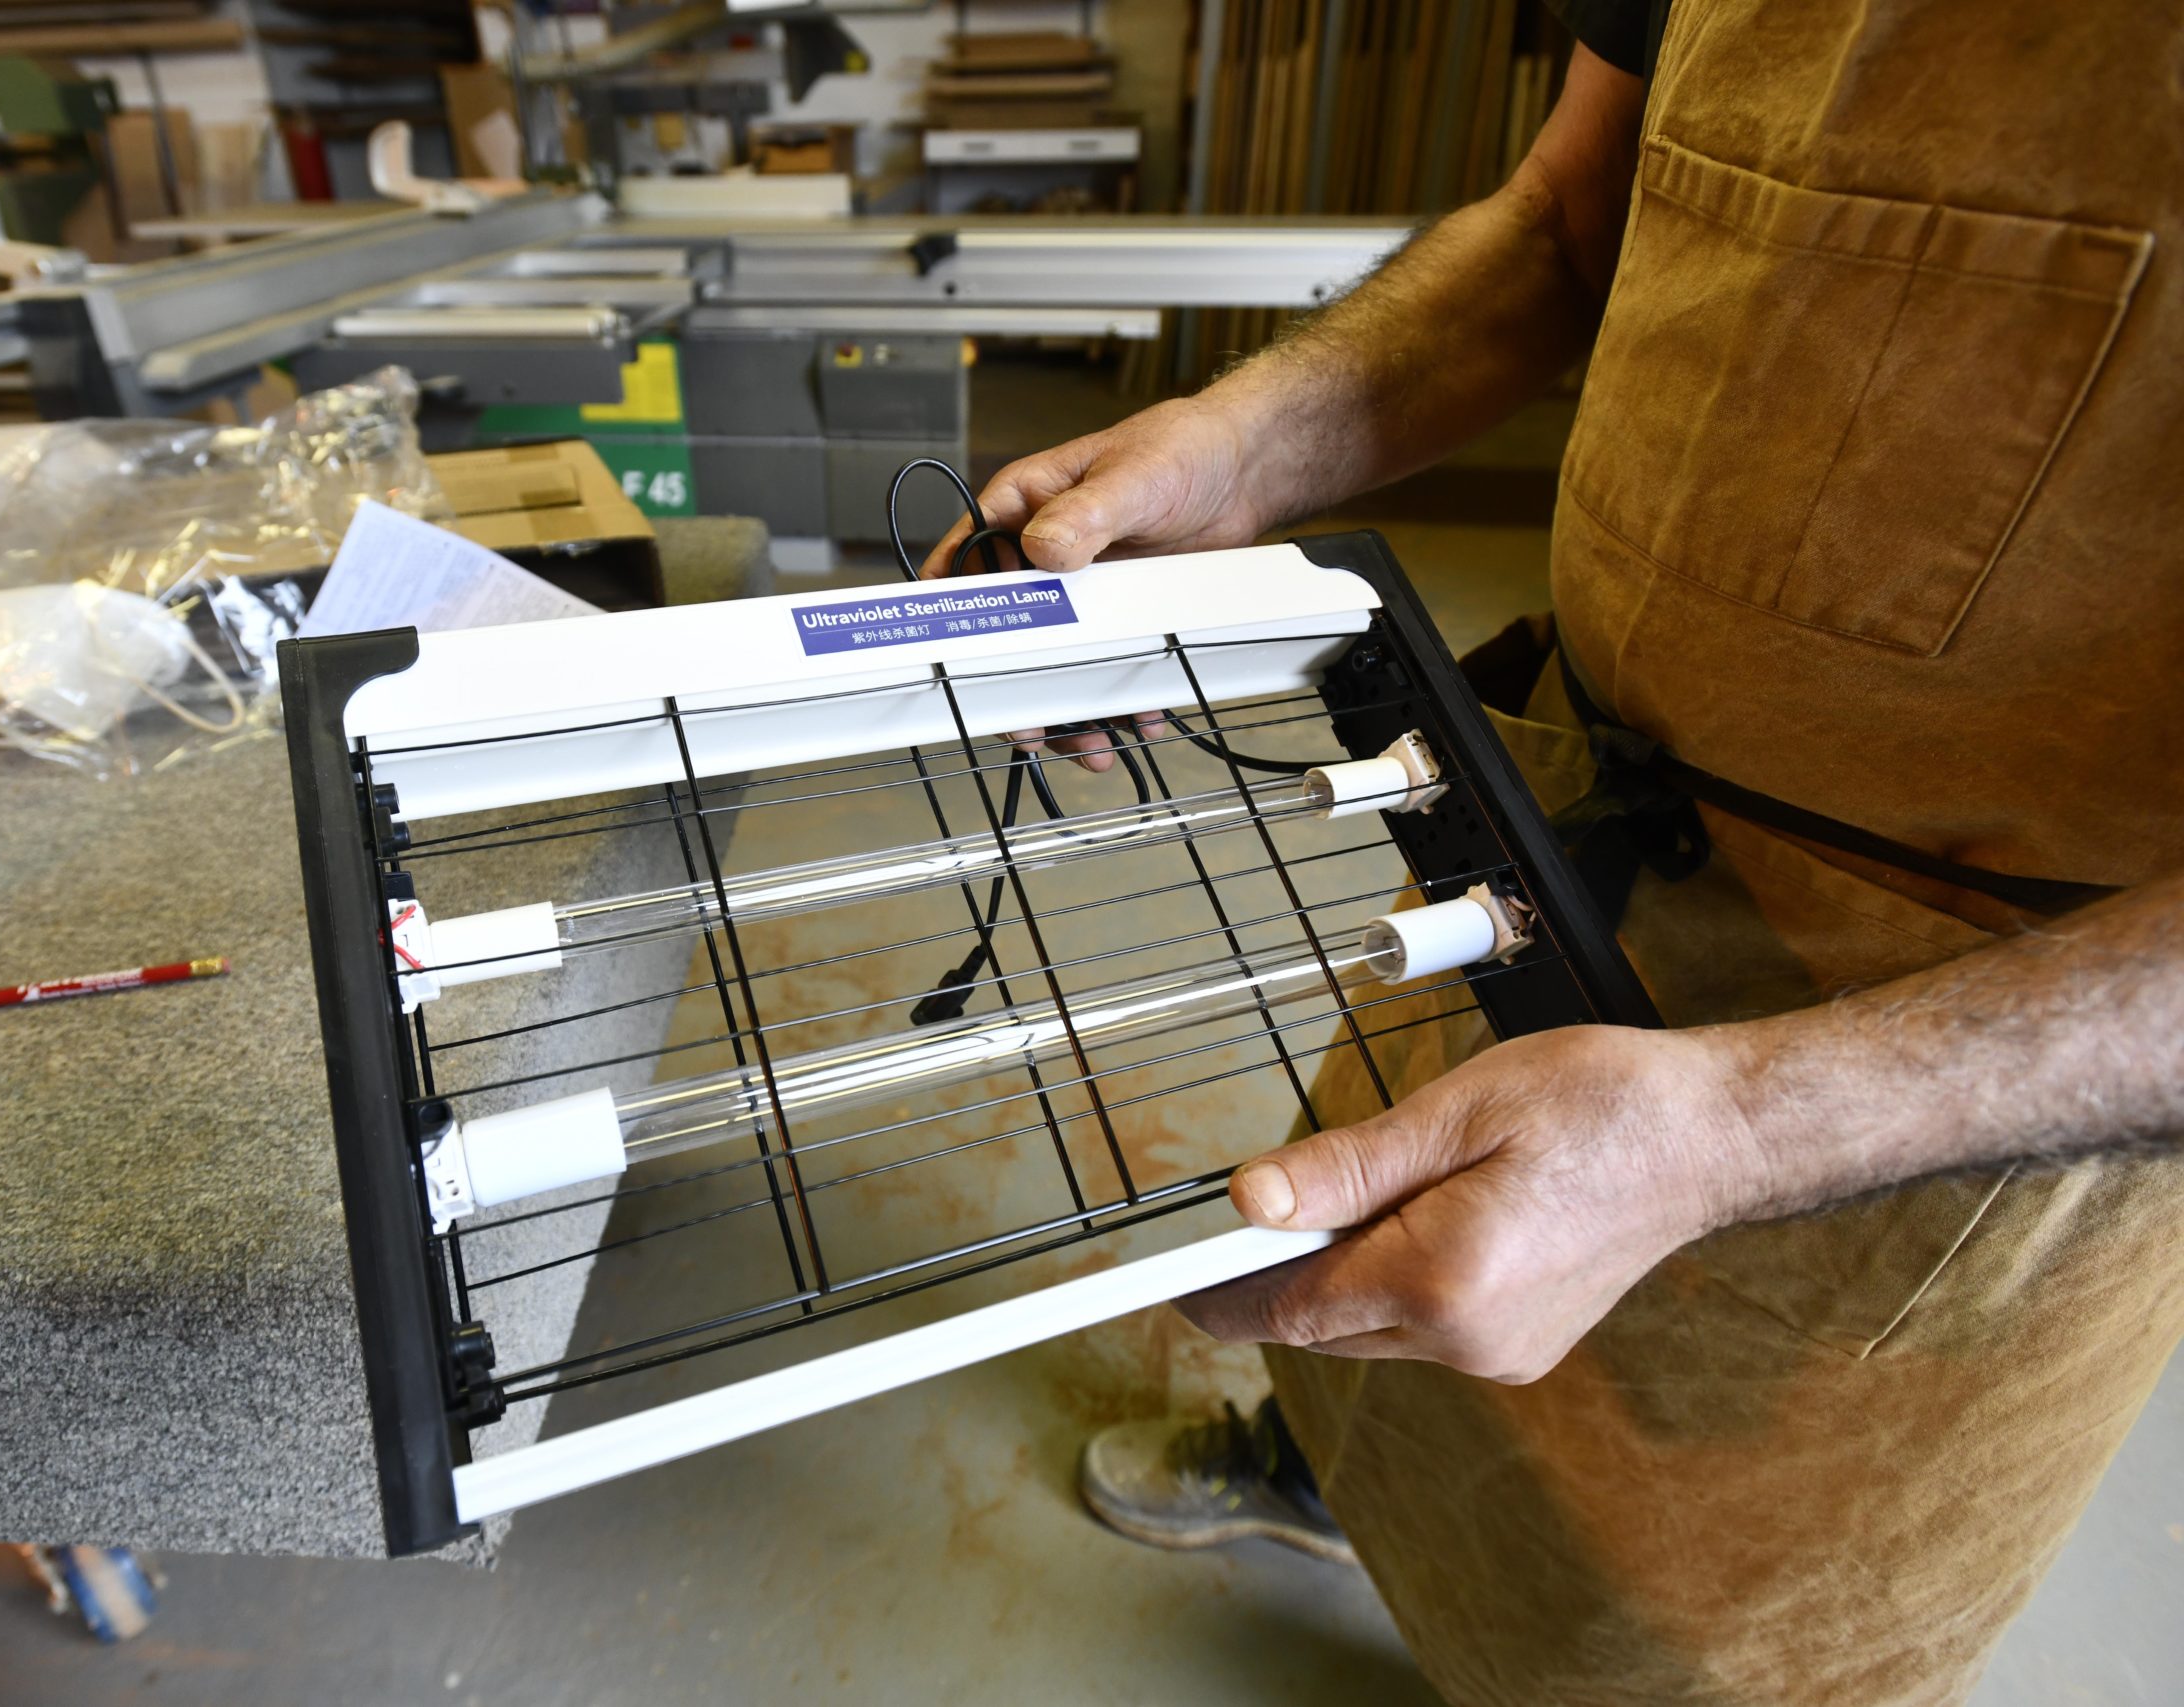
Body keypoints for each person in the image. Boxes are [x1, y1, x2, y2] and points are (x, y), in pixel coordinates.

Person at [919, 2, 2183, 1702]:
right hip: (1547, 815)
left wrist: (1732, 1132)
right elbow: (1575, 220)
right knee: (1392, 1307)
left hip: (1947, 1042)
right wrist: (1246, 445)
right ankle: (1324, 1482)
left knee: (1660, 1629)